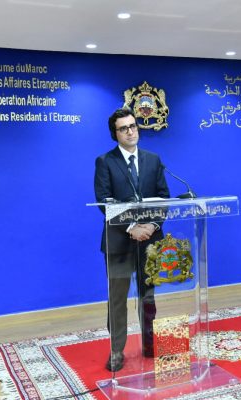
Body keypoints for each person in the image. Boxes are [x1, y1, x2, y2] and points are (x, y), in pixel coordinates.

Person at [94, 107, 170, 372]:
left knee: (148, 296)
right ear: (115, 134)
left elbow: (164, 197)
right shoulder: (105, 162)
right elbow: (104, 202)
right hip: (118, 242)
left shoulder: (153, 160)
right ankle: (117, 350)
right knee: (118, 299)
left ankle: (149, 344)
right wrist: (131, 227)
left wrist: (151, 225)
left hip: (149, 242)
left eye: (133, 126)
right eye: (124, 128)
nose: (130, 132)